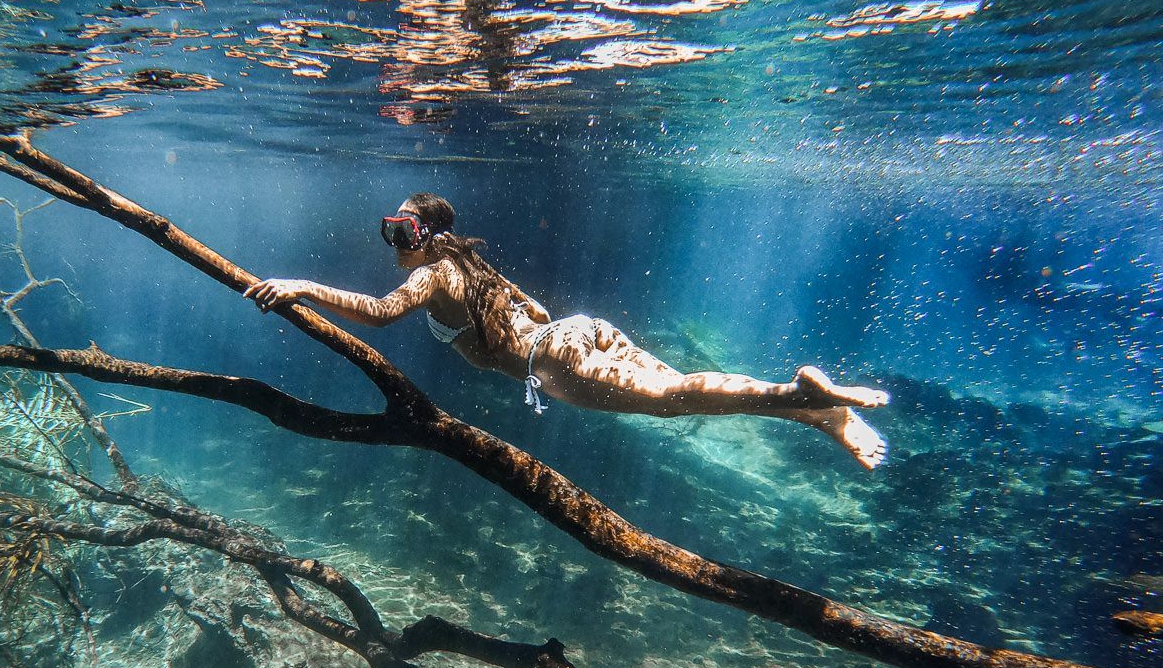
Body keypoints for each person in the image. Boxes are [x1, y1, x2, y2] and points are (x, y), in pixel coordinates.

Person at [246, 193, 889, 469]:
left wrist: (302, 286)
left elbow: (378, 312)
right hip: (578, 332)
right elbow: (528, 305)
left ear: (430, 235)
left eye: (403, 231)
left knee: (674, 398)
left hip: (554, 361)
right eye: (391, 230)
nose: (395, 242)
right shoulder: (472, 263)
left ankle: (797, 393)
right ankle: (820, 414)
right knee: (678, 388)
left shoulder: (435, 274)